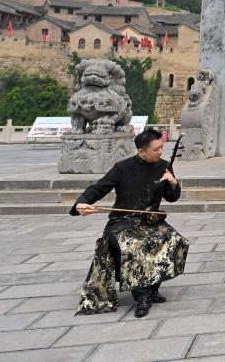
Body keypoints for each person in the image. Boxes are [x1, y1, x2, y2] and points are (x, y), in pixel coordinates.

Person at [70, 128, 188, 318]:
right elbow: (99, 187)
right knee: (134, 245)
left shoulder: (164, 166)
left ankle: (153, 287)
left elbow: (172, 197)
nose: (160, 152)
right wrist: (81, 204)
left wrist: (173, 183)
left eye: (161, 147)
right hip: (122, 221)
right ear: (141, 151)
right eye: (156, 149)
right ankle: (142, 296)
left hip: (150, 220)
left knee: (174, 240)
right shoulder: (122, 167)